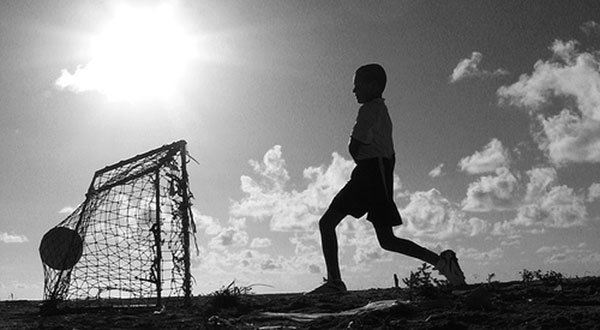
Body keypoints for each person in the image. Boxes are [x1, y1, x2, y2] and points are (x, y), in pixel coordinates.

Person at [307, 63, 466, 295]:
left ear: (373, 86)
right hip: (375, 173)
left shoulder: (370, 109)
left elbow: (355, 146)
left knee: (328, 223)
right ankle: (443, 264)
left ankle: (335, 282)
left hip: (370, 174)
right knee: (386, 240)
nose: (354, 90)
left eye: (357, 85)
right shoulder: (379, 110)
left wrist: (361, 156)